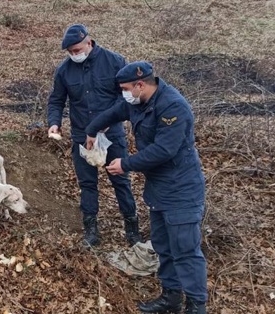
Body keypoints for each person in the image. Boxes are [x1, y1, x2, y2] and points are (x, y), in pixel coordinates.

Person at [85, 61, 207, 314]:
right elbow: (115, 111)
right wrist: (92, 129)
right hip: (158, 189)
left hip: (182, 188)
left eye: (126, 88)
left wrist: (126, 164)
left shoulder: (172, 107)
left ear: (140, 85)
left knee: (185, 250)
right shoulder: (138, 102)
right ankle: (171, 297)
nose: (124, 94)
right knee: (162, 246)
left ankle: (196, 305)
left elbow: (165, 149)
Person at [47, 24, 142, 247]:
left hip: (112, 136)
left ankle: (132, 229)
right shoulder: (64, 71)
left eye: (77, 50)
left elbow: (127, 96)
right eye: (70, 52)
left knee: (121, 181)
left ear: (89, 43)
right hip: (82, 136)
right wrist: (54, 123)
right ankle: (91, 230)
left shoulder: (115, 62)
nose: (74, 55)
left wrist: (107, 122)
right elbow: (57, 100)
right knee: (87, 184)